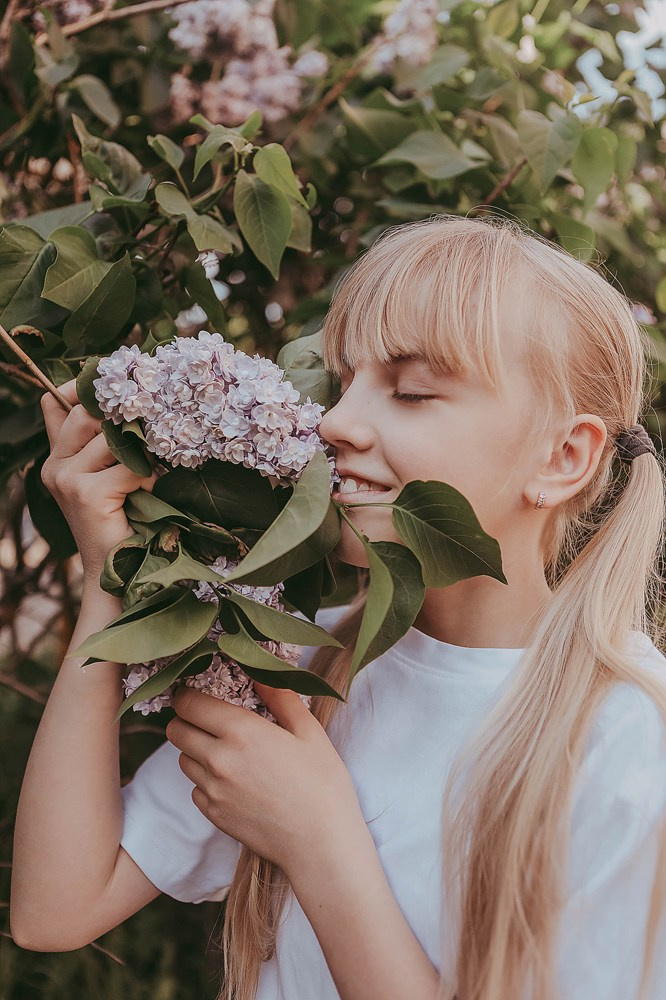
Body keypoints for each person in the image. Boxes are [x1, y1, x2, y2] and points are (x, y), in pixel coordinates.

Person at [10, 215, 666, 1000]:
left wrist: (319, 841)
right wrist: (109, 578)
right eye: (343, 381)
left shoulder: (628, 744)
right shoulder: (300, 664)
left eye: (412, 392)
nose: (335, 422)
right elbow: (56, 908)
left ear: (562, 458)